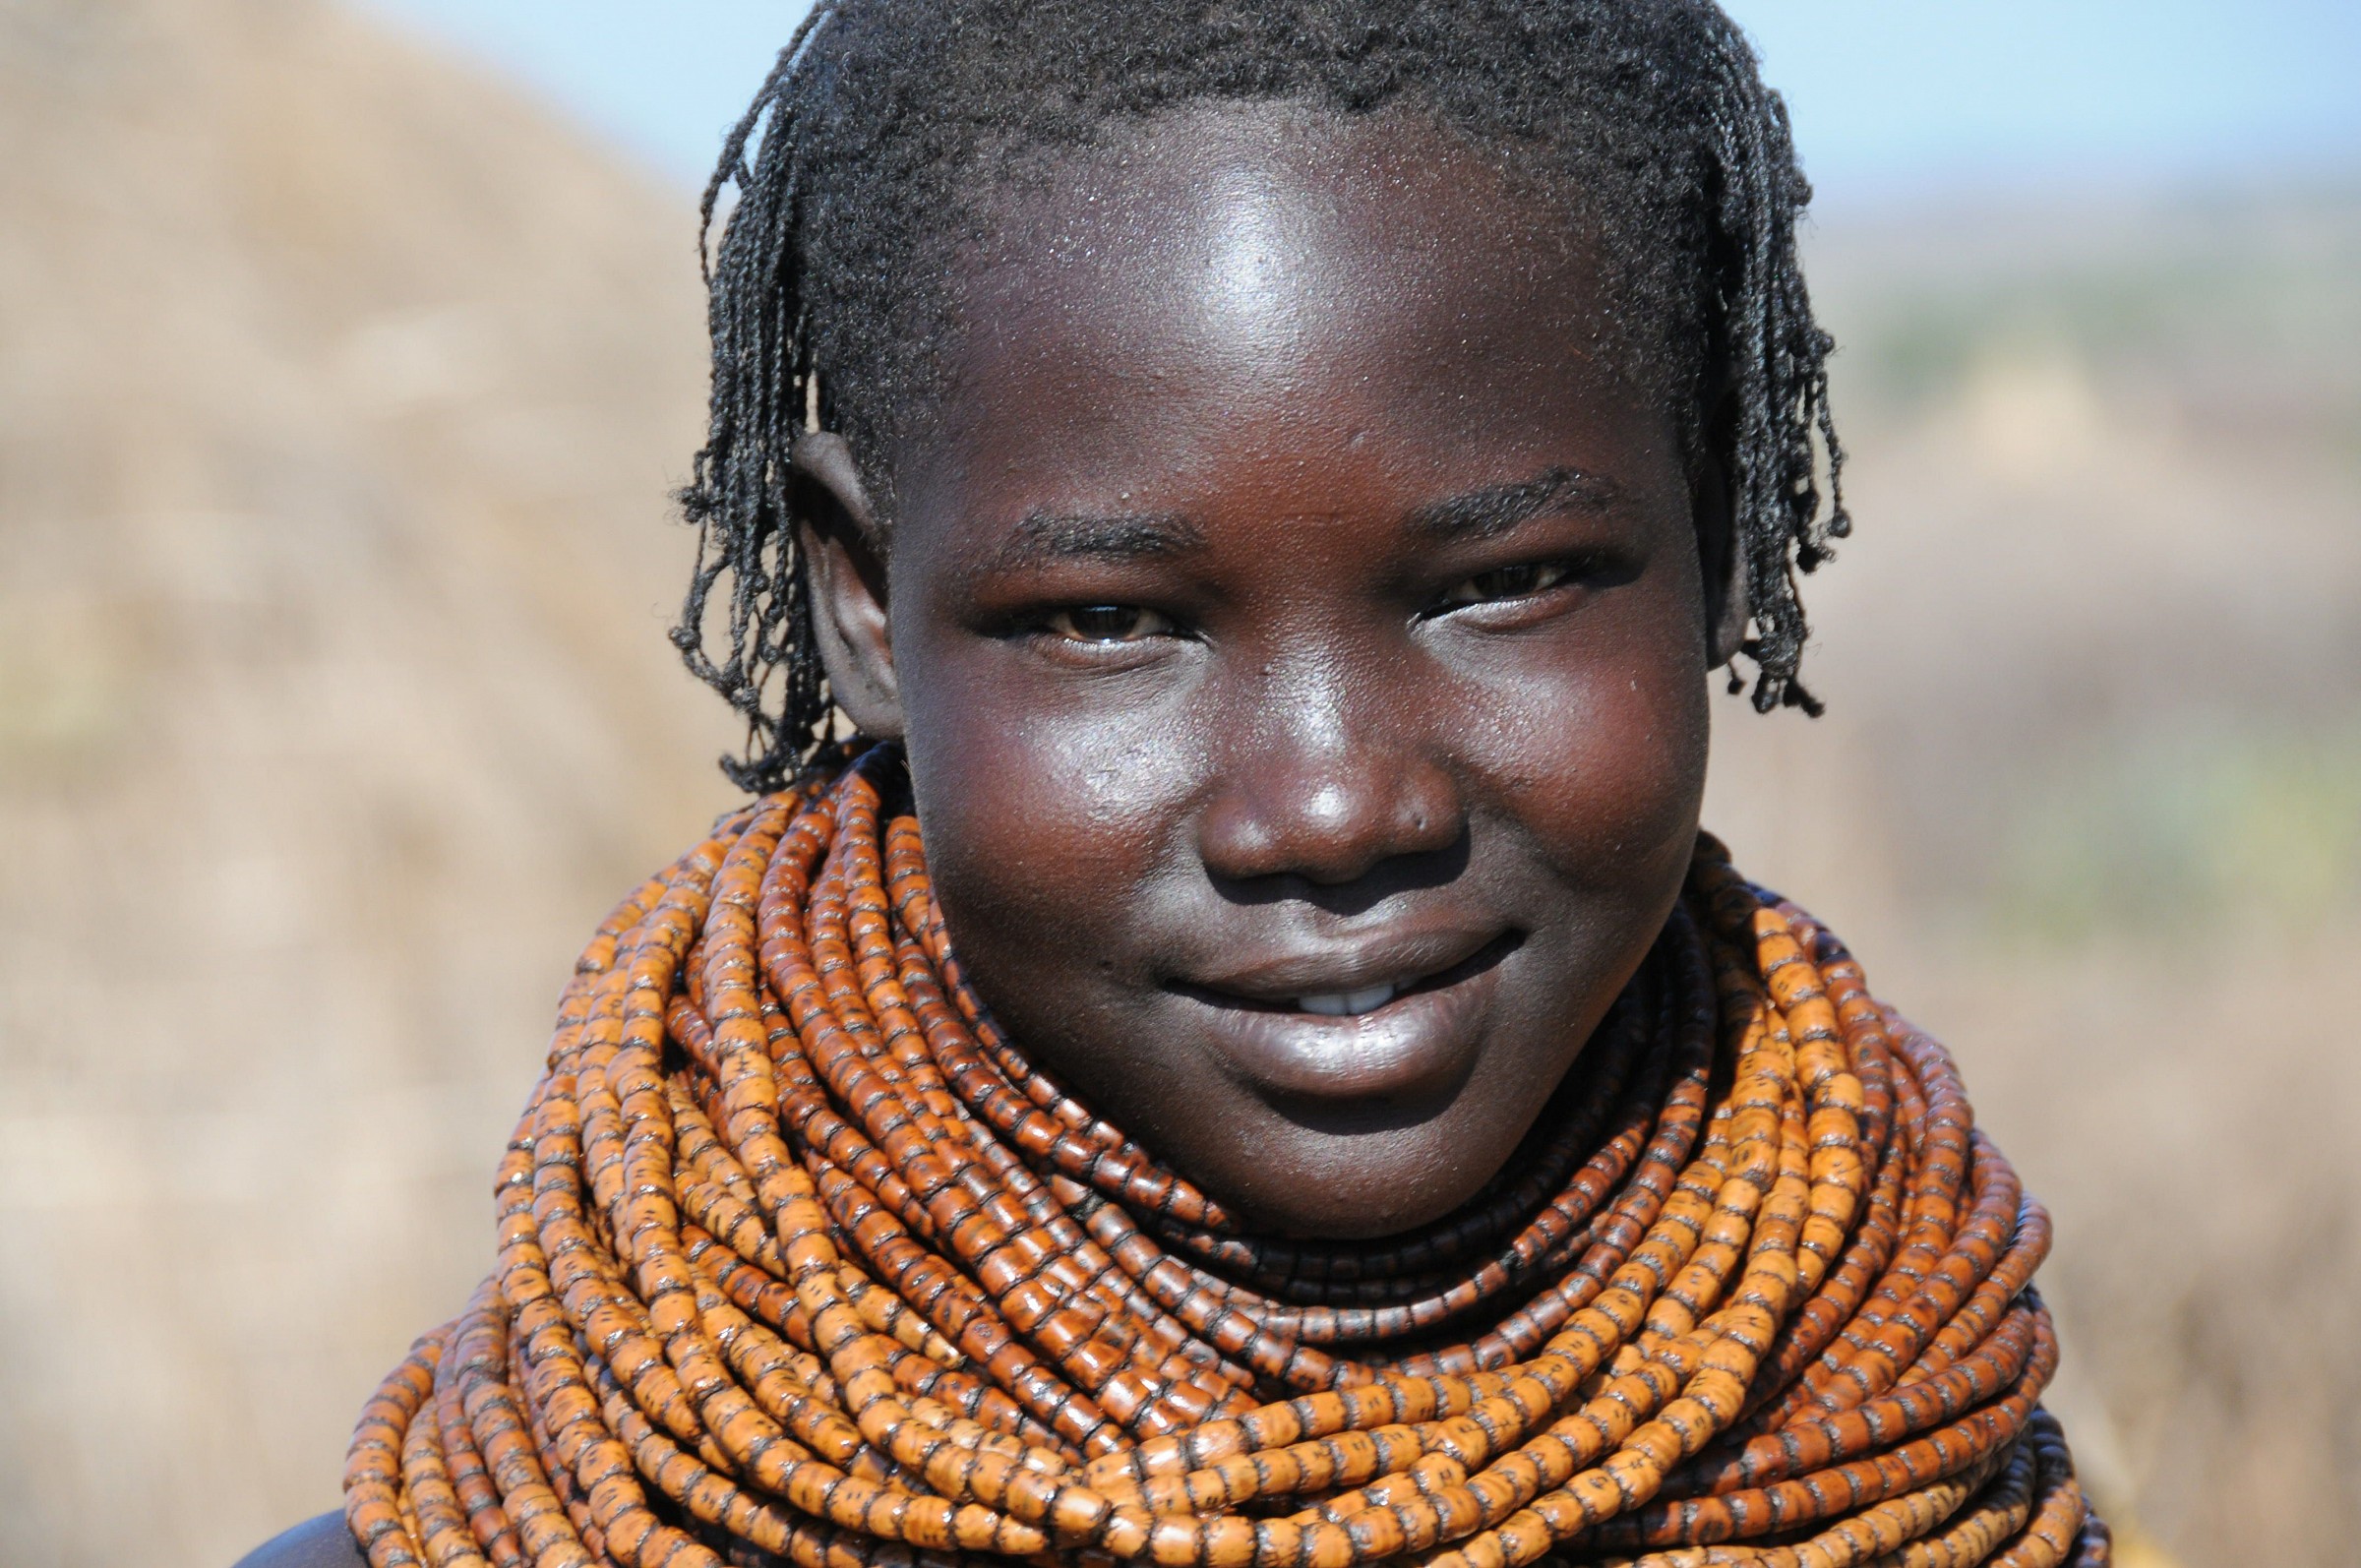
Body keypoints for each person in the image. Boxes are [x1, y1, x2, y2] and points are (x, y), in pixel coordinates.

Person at [244, 3, 2104, 1565]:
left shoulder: (1933, 1460)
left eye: (1503, 583)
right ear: (863, 603)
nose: (1331, 806)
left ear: (1717, 525)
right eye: (1112, 619)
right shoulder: (507, 1525)